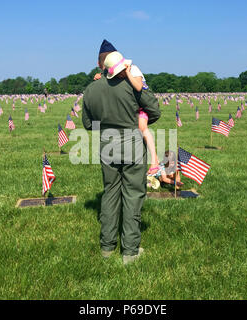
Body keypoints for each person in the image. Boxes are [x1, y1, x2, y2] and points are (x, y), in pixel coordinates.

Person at [82, 46, 161, 265]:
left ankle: (107, 248)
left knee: (109, 194)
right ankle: (130, 252)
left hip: (107, 146)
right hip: (132, 147)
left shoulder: (91, 89)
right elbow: (155, 110)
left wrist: (108, 126)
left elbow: (88, 124)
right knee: (133, 196)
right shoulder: (131, 85)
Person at [95, 41, 159, 174]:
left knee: (142, 127)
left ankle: (155, 159)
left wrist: (128, 73)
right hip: (131, 108)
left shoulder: (133, 69)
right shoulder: (118, 74)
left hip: (142, 108)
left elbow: (138, 87)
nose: (119, 75)